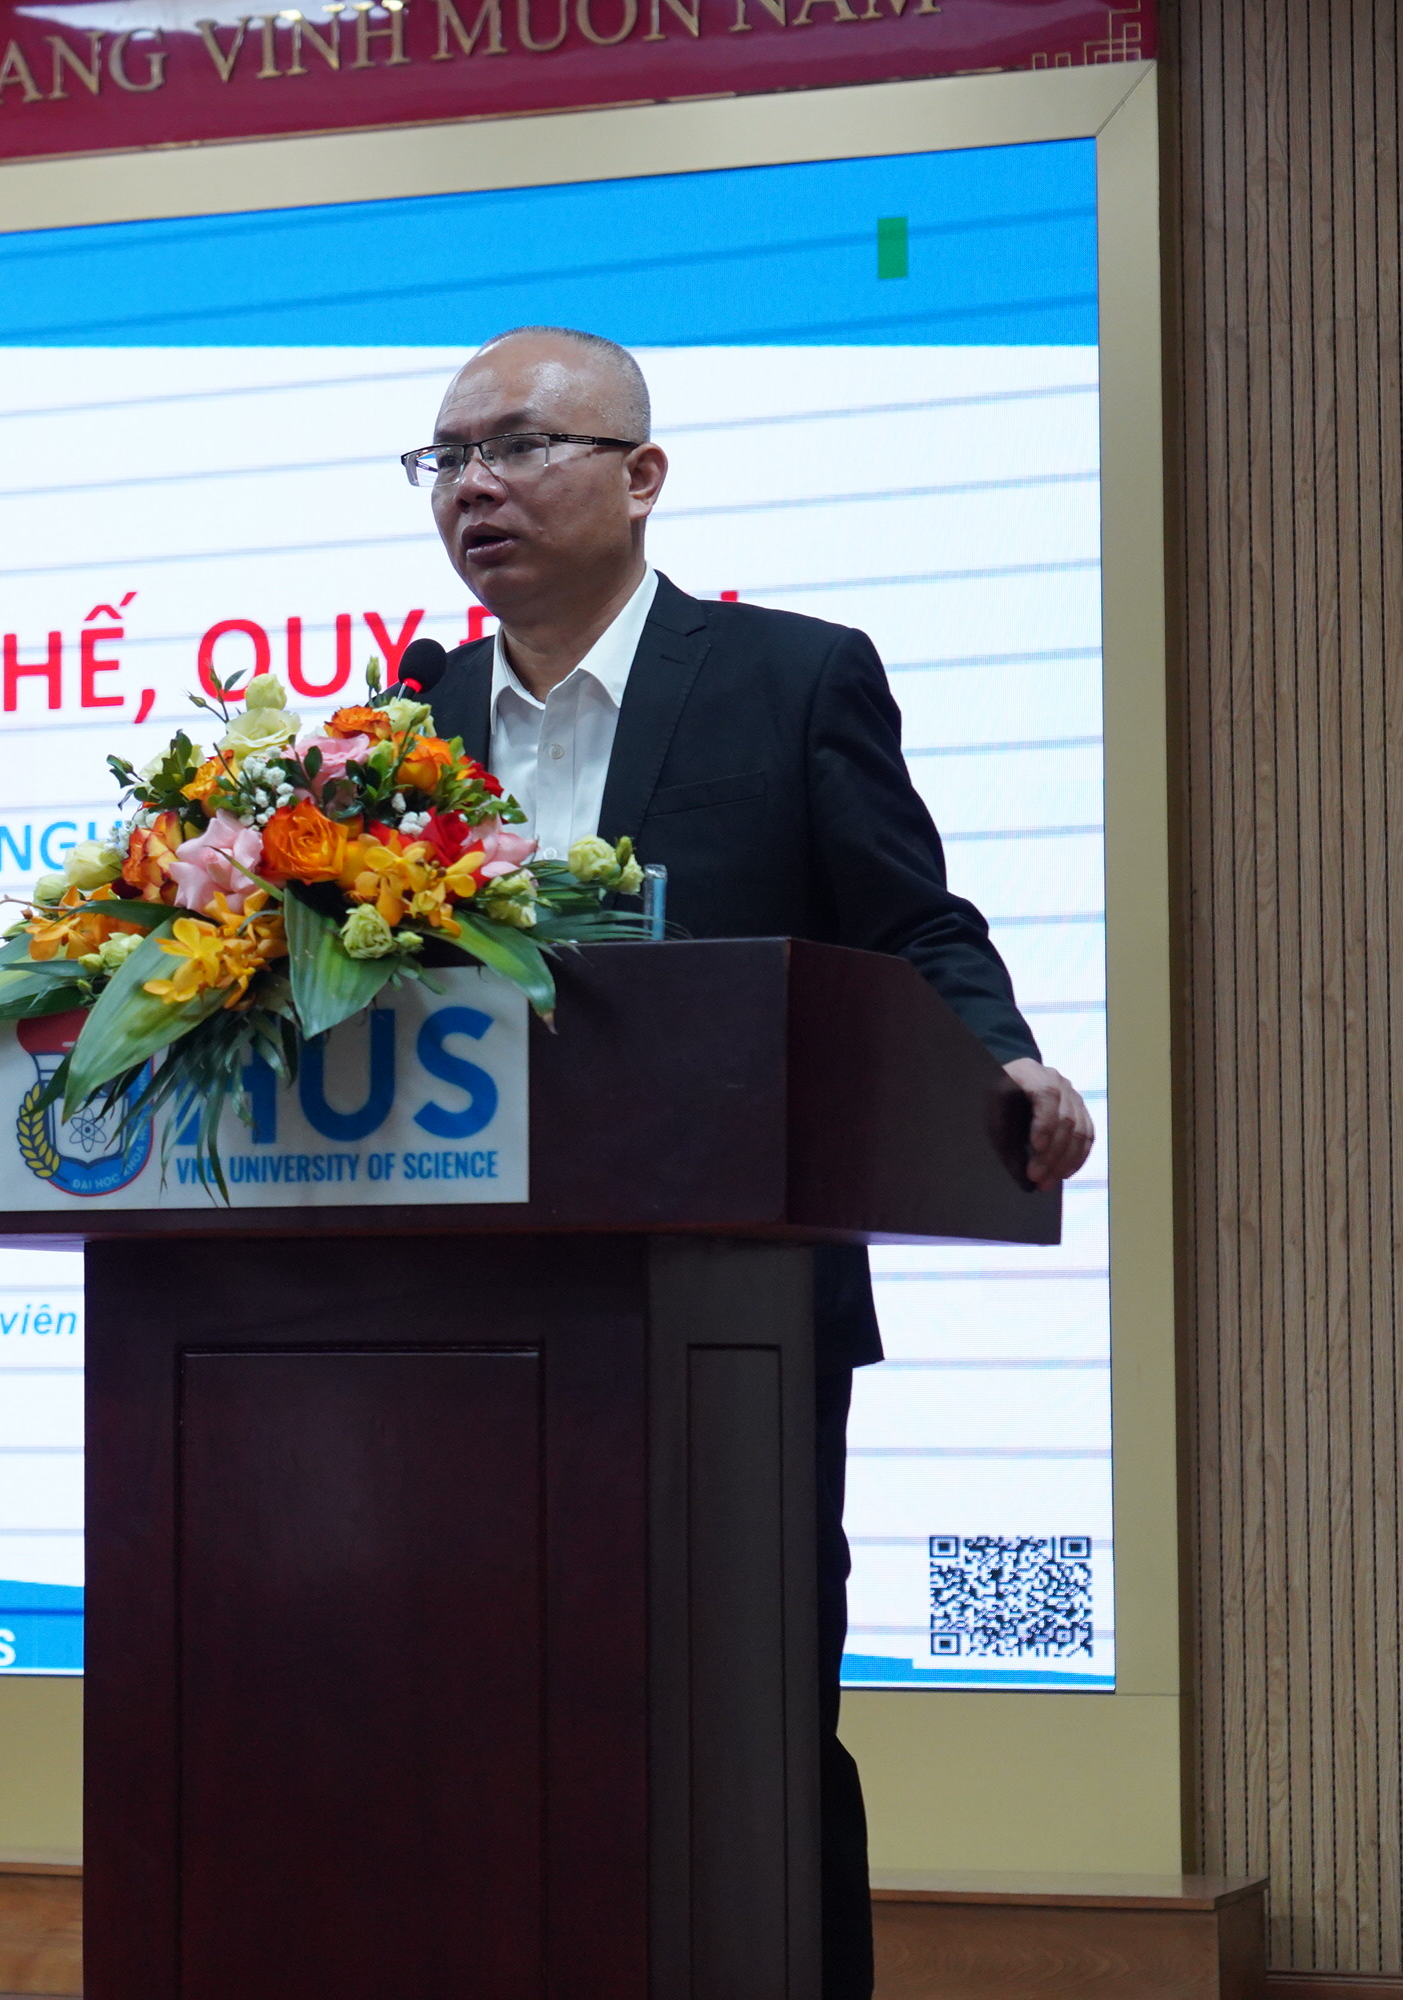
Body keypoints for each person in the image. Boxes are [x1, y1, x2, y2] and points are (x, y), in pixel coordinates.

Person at [400, 326, 1096, 1998]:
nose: (476, 486)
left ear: (643, 476)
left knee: (748, 1714)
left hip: (732, 1309)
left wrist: (999, 1055)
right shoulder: (396, 722)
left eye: (519, 446)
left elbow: (910, 921)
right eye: (447, 460)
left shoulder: (791, 677)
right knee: (477, 1715)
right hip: (452, 1314)